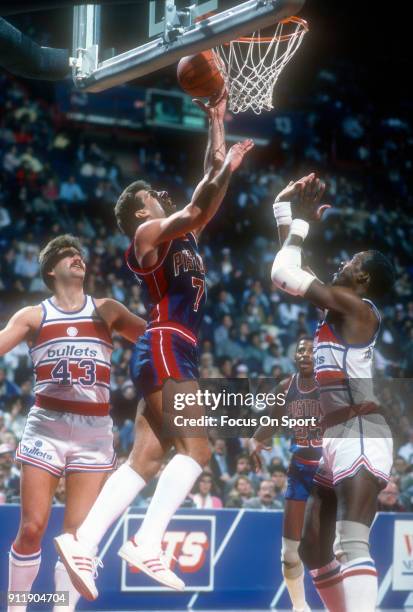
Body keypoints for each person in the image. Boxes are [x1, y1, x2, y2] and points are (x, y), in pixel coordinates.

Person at [55, 92, 254, 598]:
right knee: (198, 448)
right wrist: (218, 166)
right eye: (149, 197)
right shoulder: (146, 234)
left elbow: (205, 194)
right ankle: (146, 541)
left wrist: (219, 135)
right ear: (138, 213)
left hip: (171, 348)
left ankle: (83, 541)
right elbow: (196, 203)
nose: (157, 197)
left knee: (145, 458)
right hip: (164, 341)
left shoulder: (182, 236)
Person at [0, 234, 146, 612]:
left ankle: (60, 608)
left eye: (80, 254)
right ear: (52, 269)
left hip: (93, 430)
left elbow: (151, 338)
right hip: (46, 425)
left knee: (78, 537)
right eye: (68, 255)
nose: (77, 258)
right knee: (32, 529)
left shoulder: (107, 310)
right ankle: (17, 607)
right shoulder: (33, 315)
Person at [270, 174, 395, 612]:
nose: (344, 261)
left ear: (363, 278)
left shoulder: (357, 310)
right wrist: (285, 210)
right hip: (335, 436)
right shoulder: (338, 308)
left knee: (350, 540)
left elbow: (283, 273)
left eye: (353, 260)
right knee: (312, 549)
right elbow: (293, 266)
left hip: (360, 429)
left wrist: (301, 223)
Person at [250, 336, 321, 612]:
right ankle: (299, 607)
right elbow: (272, 421)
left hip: (329, 473)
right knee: (289, 553)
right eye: (300, 350)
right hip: (300, 470)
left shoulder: (332, 385)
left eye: (311, 350)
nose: (304, 354)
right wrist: (255, 441)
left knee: (339, 547)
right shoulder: (286, 387)